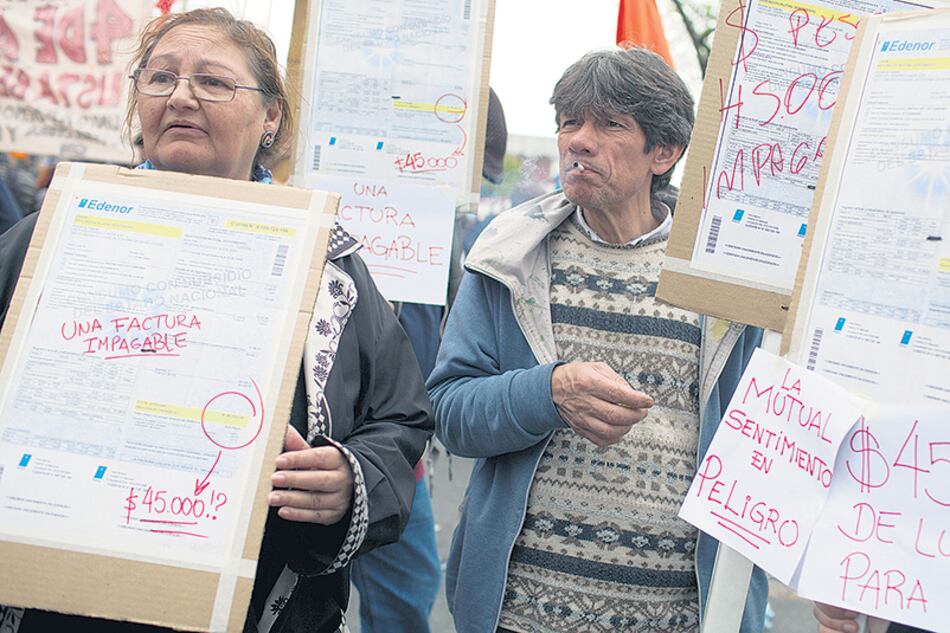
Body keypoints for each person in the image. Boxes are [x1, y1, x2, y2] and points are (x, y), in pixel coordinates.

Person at [0, 9, 432, 633]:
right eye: (161, 78)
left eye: (213, 82)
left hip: (250, 607)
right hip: (57, 600)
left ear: (272, 116)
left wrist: (349, 480)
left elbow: (399, 417)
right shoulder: (57, 233)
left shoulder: (328, 263)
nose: (180, 95)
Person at [427, 47, 767, 633]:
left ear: (664, 151)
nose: (579, 141)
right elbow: (451, 413)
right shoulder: (508, 257)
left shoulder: (725, 277)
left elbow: (758, 460)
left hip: (677, 618)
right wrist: (547, 393)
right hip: (521, 614)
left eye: (609, 124)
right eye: (569, 121)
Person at [349, 86, 510, 633]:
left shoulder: (433, 237)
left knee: (406, 591)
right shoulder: (351, 211)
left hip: (396, 441)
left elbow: (437, 339)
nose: (464, 201)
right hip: (342, 436)